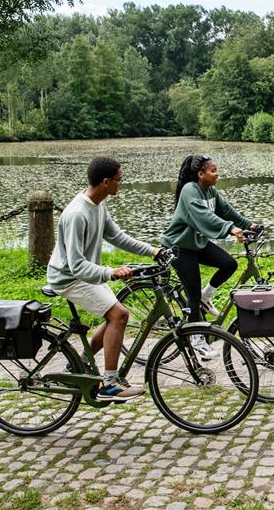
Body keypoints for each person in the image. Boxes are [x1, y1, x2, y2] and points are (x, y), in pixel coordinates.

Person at [47, 156, 159, 401]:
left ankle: (79, 364)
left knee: (116, 315)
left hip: (83, 274)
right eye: (119, 179)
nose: (121, 183)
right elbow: (76, 265)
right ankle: (109, 383)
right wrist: (110, 272)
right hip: (68, 278)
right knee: (119, 315)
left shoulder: (98, 204)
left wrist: (152, 251)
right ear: (106, 182)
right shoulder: (77, 214)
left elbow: (117, 237)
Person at [161, 154, 259, 361]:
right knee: (193, 295)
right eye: (213, 171)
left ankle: (206, 297)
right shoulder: (190, 190)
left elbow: (226, 211)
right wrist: (230, 229)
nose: (217, 174)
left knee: (229, 264)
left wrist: (248, 225)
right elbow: (204, 216)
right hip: (180, 247)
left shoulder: (210, 190)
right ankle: (197, 340)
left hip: (197, 243)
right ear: (200, 174)